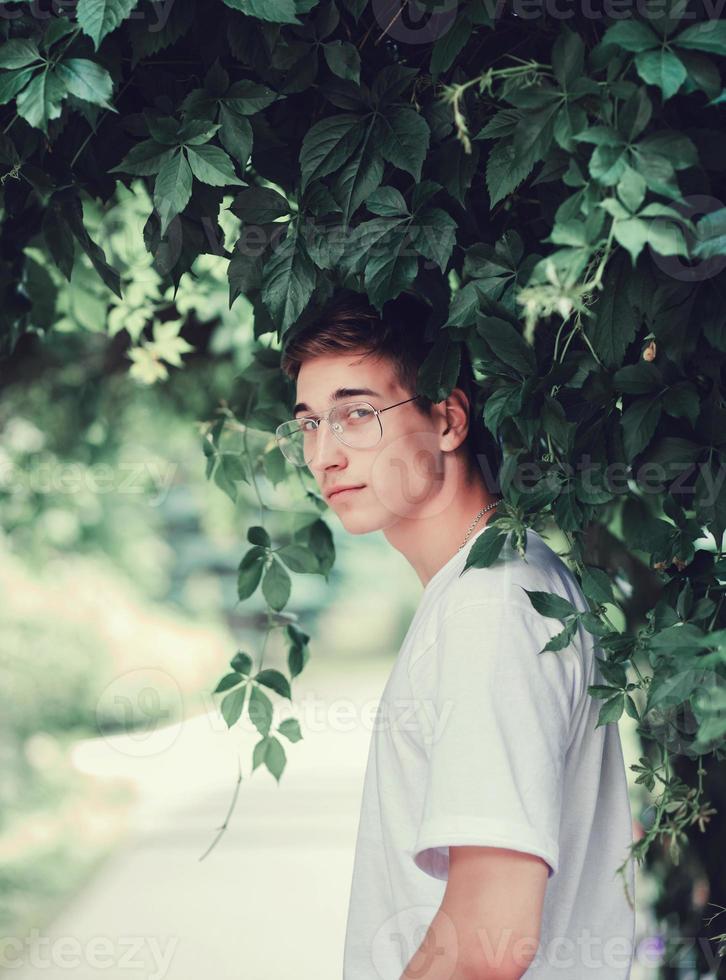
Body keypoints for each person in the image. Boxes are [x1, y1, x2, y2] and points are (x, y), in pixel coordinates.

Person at [277, 289, 636, 980]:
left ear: (447, 419)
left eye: (356, 415)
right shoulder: (487, 587)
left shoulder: (491, 605)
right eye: (309, 424)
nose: (323, 454)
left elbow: (487, 937)